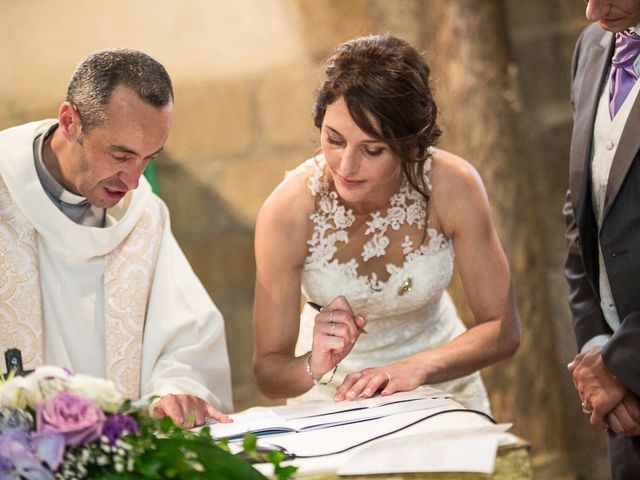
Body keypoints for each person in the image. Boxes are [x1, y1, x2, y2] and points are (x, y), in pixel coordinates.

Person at [252, 34, 520, 413]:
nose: (345, 166)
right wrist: (314, 363)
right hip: (334, 405)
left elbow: (503, 330)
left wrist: (416, 367)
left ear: (411, 145)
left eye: (372, 150)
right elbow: (268, 373)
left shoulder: (452, 186)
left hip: (441, 391)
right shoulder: (287, 211)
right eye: (334, 140)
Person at [0, 48, 232, 428]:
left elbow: (186, 338)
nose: (134, 181)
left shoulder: (143, 215)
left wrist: (174, 390)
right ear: (70, 121)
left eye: (149, 158)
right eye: (120, 155)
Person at [564, 1, 640, 477]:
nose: (594, 10)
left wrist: (623, 362)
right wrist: (596, 348)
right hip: (621, 406)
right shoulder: (591, 47)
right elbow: (581, 208)